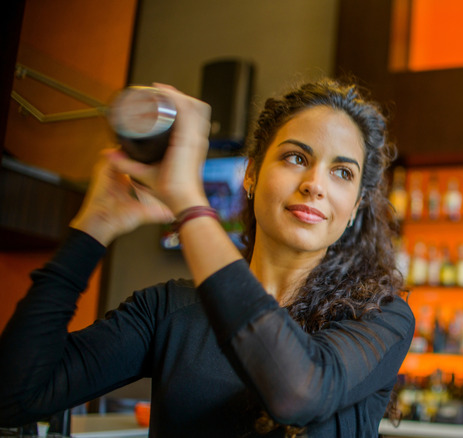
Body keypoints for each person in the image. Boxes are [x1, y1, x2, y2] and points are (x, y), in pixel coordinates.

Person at [0, 79, 415, 437]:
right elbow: (15, 396)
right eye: (296, 157)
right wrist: (95, 226)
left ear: (356, 205)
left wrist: (189, 203)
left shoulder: (381, 318)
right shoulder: (167, 311)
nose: (315, 185)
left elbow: (297, 391)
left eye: (342, 172)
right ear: (250, 174)